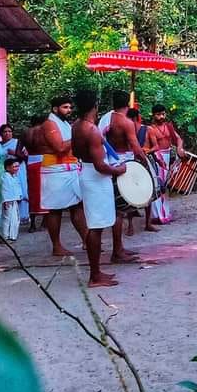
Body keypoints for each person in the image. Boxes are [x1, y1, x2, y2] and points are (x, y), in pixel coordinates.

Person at [72, 90, 127, 287]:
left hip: (86, 174)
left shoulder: (77, 126)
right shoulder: (91, 130)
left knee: (97, 224)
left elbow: (79, 151)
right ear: (94, 106)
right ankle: (95, 276)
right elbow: (100, 166)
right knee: (96, 227)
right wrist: (119, 170)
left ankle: (97, 272)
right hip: (96, 179)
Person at [26, 96, 88, 256]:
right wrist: (77, 134)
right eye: (65, 107)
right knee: (55, 210)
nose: (69, 110)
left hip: (70, 170)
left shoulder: (64, 124)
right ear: (55, 109)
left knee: (77, 206)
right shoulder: (49, 124)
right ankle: (56, 246)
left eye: (70, 107)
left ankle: (87, 241)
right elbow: (60, 148)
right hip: (55, 172)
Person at [105, 91, 158, 235]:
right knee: (127, 198)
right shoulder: (126, 123)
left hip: (110, 161)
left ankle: (128, 230)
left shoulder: (106, 119)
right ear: (127, 104)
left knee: (119, 201)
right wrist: (143, 160)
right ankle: (118, 247)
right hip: (126, 162)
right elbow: (136, 148)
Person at [145, 104, 183, 224]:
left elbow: (179, 139)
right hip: (157, 157)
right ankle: (158, 215)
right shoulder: (150, 129)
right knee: (159, 186)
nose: (161, 116)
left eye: (163, 114)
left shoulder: (168, 127)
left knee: (164, 187)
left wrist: (179, 149)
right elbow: (150, 147)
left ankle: (165, 213)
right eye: (158, 114)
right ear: (153, 115)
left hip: (168, 156)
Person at [0, 123, 30, 224]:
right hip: (6, 172)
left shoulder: (17, 143)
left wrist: (15, 153)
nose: (7, 133)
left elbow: (26, 157)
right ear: (1, 134)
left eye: (9, 131)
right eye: (5, 132)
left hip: (19, 169)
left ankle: (23, 216)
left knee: (21, 190)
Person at [0, 157, 23, 241]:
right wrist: (5, 201)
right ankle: (6, 237)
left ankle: (12, 236)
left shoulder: (14, 176)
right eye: (14, 166)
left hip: (14, 201)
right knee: (7, 219)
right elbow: (5, 189)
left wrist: (19, 196)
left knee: (15, 219)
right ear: (7, 168)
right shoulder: (5, 177)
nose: (16, 168)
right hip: (8, 201)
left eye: (17, 166)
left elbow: (17, 187)